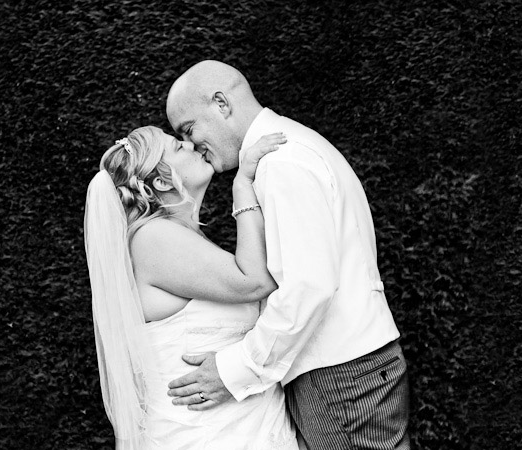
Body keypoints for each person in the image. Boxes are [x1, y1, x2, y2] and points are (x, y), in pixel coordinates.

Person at [164, 60, 409, 449]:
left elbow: (308, 287)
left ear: (221, 103)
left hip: (340, 377)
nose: (192, 147)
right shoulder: (289, 148)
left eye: (189, 130)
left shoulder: (282, 162)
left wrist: (235, 371)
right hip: (349, 371)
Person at [84, 125, 298, 449]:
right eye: (177, 146)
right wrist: (242, 188)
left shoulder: (180, 238)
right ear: (162, 181)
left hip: (247, 428)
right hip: (202, 436)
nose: (190, 144)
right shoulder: (153, 238)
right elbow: (254, 281)